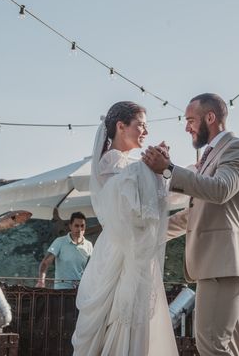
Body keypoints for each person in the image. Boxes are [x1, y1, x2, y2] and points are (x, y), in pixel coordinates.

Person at [142, 93, 239, 356]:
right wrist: (149, 233)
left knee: (210, 345)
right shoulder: (210, 156)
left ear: (210, 117)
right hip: (217, 264)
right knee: (226, 346)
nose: (186, 127)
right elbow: (194, 214)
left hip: (223, 262)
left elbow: (220, 189)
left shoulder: (237, 148)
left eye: (190, 120)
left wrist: (169, 169)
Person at [71, 101, 178, 356]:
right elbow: (136, 210)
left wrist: (158, 170)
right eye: (140, 125)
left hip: (128, 248)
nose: (145, 132)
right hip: (121, 252)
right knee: (122, 316)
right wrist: (157, 169)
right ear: (121, 126)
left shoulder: (129, 165)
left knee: (130, 316)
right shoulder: (114, 163)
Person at [36, 212, 93, 289]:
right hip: (61, 291)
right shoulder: (59, 242)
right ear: (70, 226)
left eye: (82, 226)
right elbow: (46, 262)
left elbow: (91, 269)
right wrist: (41, 281)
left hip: (81, 291)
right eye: (76, 226)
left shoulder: (89, 245)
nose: (80, 229)